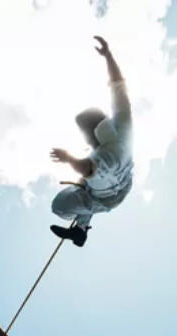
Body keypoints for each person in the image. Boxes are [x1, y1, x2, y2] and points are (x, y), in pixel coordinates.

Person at [48, 36, 133, 248]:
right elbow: (118, 87)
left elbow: (88, 168)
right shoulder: (122, 126)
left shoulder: (106, 157)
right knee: (86, 185)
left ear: (93, 135)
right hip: (118, 186)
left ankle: (82, 226)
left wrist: (68, 158)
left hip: (107, 199)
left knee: (59, 205)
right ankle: (81, 229)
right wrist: (108, 56)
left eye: (87, 138)